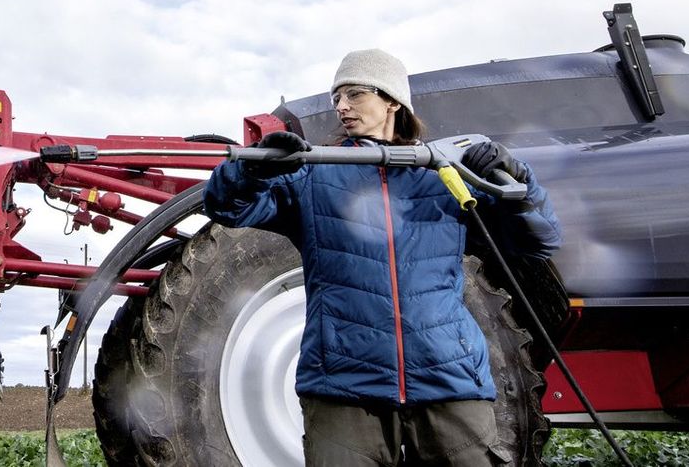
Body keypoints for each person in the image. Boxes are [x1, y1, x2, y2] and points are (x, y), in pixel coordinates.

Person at [203, 49, 562, 466]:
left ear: (392, 99)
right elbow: (227, 207)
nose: (341, 106)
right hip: (344, 387)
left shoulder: (445, 175)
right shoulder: (314, 176)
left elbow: (540, 241)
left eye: (355, 94)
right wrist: (252, 168)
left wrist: (516, 178)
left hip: (447, 378)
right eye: (336, 97)